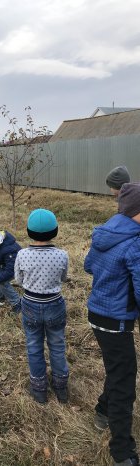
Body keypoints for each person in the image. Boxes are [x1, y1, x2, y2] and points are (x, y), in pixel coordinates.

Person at [84, 183, 140, 466]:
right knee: (124, 381)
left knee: (118, 367)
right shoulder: (135, 243)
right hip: (117, 320)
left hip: (97, 314)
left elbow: (88, 265)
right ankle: (122, 452)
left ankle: (103, 411)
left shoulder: (106, 232)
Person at [14, 209, 69, 404]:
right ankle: (61, 387)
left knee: (34, 346)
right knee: (57, 345)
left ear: (29, 231)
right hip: (55, 303)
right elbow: (63, 278)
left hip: (30, 303)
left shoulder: (22, 254)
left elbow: (18, 280)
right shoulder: (62, 255)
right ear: (55, 231)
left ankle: (39, 390)